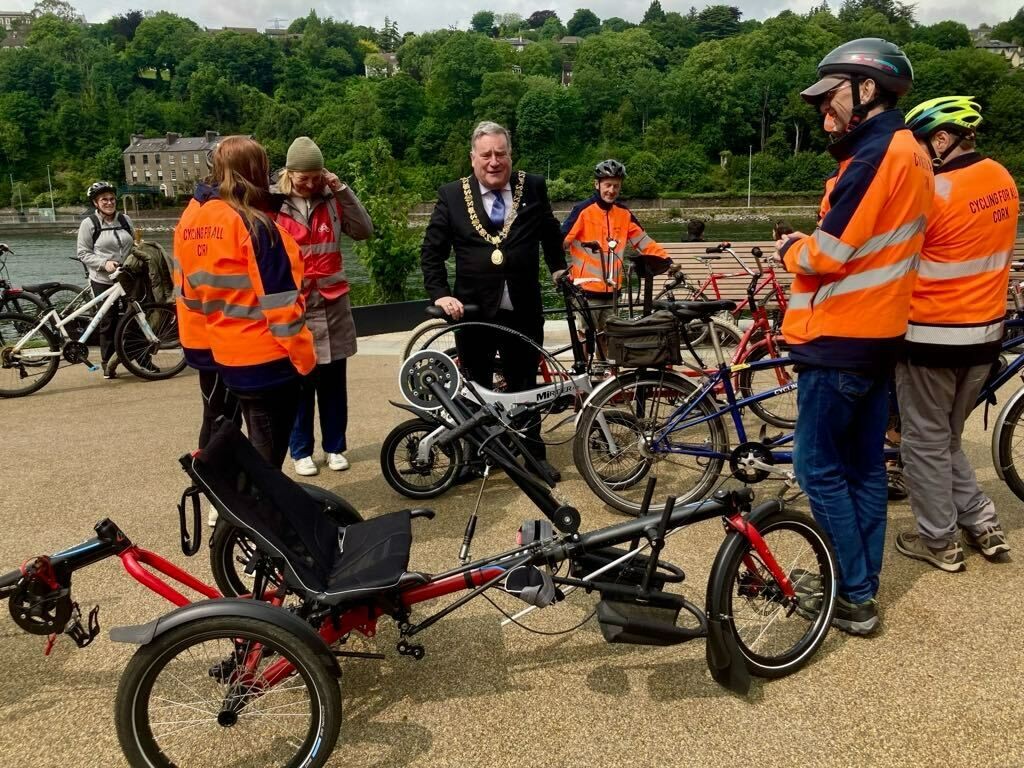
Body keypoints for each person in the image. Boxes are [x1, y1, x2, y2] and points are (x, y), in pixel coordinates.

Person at [775, 38, 934, 635]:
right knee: (864, 468)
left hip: (839, 337)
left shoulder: (873, 155)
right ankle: (861, 580)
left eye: (831, 96)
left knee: (817, 469)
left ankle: (853, 594)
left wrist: (791, 248)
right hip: (880, 335)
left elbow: (829, 252)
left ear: (868, 89)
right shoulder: (914, 152)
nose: (825, 110)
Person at [893, 96, 1016, 571]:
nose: (918, 156)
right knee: (946, 438)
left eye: (922, 144)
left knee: (922, 444)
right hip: (985, 337)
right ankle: (984, 524)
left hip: (932, 337)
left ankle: (939, 540)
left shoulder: (934, 191)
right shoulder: (1002, 179)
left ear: (942, 139)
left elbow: (894, 257)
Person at [421, 121, 566, 481]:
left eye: (501, 153)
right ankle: (476, 457)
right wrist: (441, 294)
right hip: (472, 309)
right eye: (486, 154)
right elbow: (432, 252)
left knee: (525, 383)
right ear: (473, 158)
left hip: (523, 306)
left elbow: (550, 234)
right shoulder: (451, 195)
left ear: (510, 156)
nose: (494, 161)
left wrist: (558, 269)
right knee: (475, 386)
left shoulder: (533, 186)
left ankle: (533, 456)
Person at [174, 136, 315, 470]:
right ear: (257, 171)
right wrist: (305, 360)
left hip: (217, 348)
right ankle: (250, 502)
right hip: (265, 358)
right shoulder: (256, 225)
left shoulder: (192, 219)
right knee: (266, 458)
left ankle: (215, 489)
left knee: (217, 428)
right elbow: (282, 307)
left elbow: (188, 293)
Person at [274, 137, 373, 478]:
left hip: (333, 306)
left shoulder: (332, 198)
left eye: (317, 176)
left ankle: (335, 447)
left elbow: (364, 230)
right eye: (305, 178)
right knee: (299, 387)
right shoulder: (274, 204)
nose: (311, 183)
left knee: (333, 386)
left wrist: (341, 189)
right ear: (289, 173)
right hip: (296, 308)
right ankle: (300, 451)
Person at [561, 160, 671, 339]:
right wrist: (559, 270)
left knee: (610, 339)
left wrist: (666, 261)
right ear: (597, 184)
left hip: (613, 292)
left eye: (616, 186)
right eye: (607, 185)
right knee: (586, 338)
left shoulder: (624, 214)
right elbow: (561, 241)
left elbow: (643, 242)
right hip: (586, 291)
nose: (611, 190)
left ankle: (606, 360)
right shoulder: (583, 210)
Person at [76, 181, 135, 379]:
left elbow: (133, 244)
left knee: (136, 317)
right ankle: (108, 364)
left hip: (126, 277)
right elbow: (83, 253)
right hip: (102, 279)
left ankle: (142, 359)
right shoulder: (89, 224)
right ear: (96, 203)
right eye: (104, 200)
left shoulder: (125, 219)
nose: (109, 202)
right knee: (108, 321)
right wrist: (104, 263)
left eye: (111, 199)